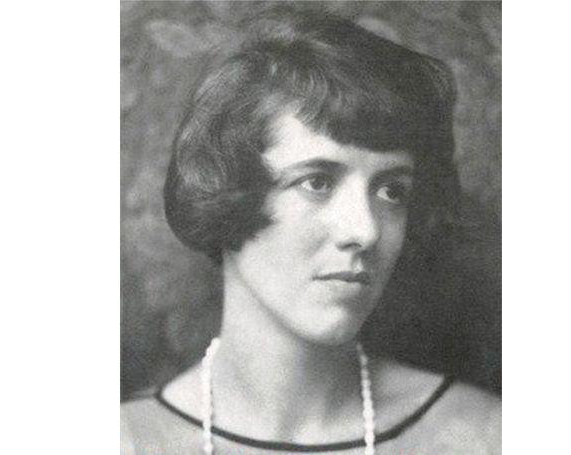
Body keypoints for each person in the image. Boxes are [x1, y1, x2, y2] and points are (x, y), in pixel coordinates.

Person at [121, 9, 501, 455]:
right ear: (228, 190)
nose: (365, 231)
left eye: (391, 190)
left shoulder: (485, 436)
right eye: (317, 182)